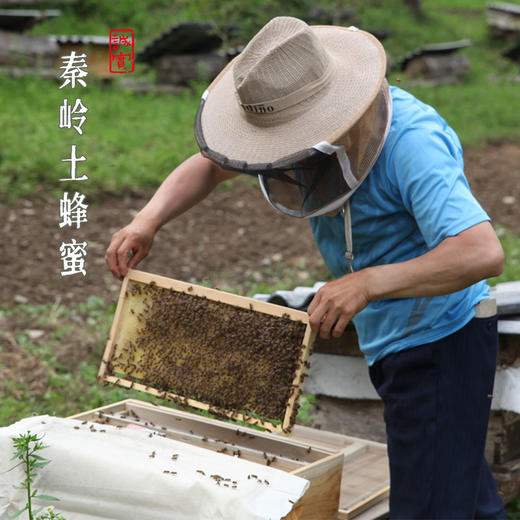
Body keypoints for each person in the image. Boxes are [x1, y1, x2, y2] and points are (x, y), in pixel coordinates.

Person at [105, 16, 507, 519]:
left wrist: (366, 284)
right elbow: (210, 164)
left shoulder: (412, 142)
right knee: (461, 488)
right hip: (391, 334)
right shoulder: (290, 120)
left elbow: (480, 251)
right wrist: (148, 220)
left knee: (428, 506)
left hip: (441, 340)